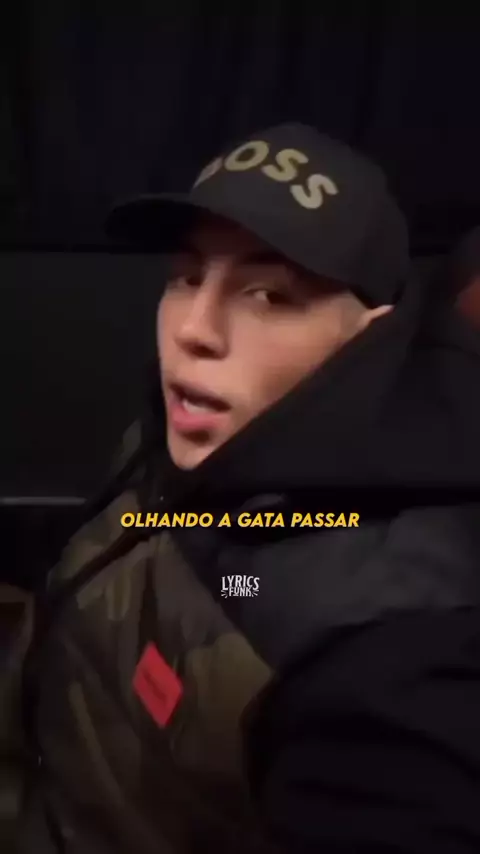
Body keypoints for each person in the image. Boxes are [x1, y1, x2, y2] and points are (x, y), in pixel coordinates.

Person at [2, 123, 480, 854]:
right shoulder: (197, 428)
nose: (194, 329)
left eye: (268, 294)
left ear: (366, 340)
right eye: (187, 275)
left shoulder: (380, 648)